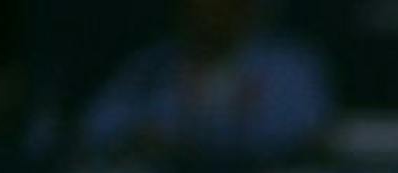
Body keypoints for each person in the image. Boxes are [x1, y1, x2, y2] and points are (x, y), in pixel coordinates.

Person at [79, 0, 335, 159]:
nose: (211, 15)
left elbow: (308, 134)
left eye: (225, 6)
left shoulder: (290, 66)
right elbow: (97, 128)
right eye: (200, 6)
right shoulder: (153, 65)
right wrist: (135, 137)